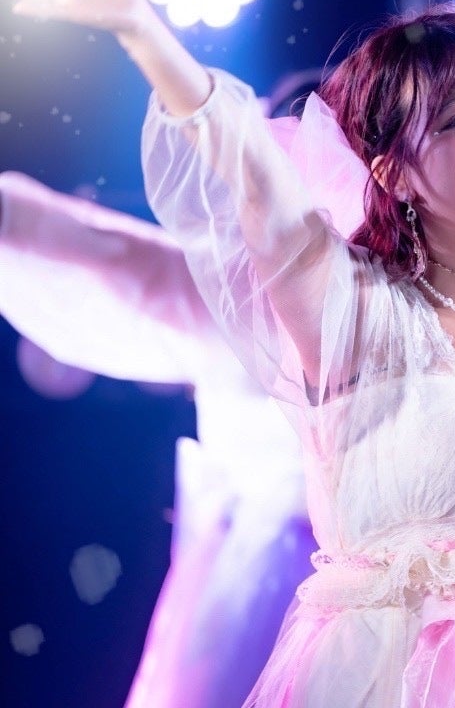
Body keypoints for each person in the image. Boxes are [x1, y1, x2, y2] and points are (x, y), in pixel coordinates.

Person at [2, 0, 455, 706]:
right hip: (382, 681)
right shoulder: (352, 307)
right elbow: (252, 171)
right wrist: (142, 31)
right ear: (392, 174)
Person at [0, 172, 318, 708]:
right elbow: (109, 259)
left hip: (281, 584)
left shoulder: (259, 292)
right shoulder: (254, 293)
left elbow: (109, 259)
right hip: (267, 575)